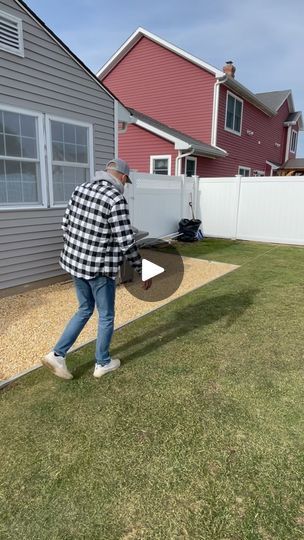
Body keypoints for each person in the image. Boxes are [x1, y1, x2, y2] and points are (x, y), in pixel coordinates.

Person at [42, 158, 152, 380]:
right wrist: (142, 270)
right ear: (122, 177)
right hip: (99, 268)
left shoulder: (80, 189)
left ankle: (57, 354)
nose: (126, 185)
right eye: (126, 181)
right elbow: (126, 242)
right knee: (106, 315)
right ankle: (102, 363)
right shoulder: (115, 198)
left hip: (74, 263)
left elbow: (66, 225)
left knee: (84, 309)